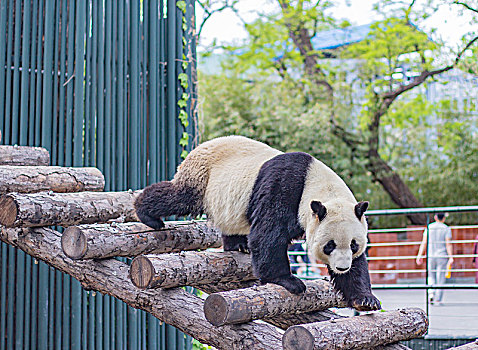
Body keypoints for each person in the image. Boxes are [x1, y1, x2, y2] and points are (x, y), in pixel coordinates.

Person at [416, 212, 454, 305]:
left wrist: (420, 255)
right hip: (442, 255)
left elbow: (424, 242)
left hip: (431, 255)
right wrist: (451, 256)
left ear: (435, 217)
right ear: (443, 218)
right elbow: (448, 243)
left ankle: (431, 294)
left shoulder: (429, 227)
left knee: (430, 275)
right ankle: (438, 298)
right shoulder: (446, 228)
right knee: (440, 277)